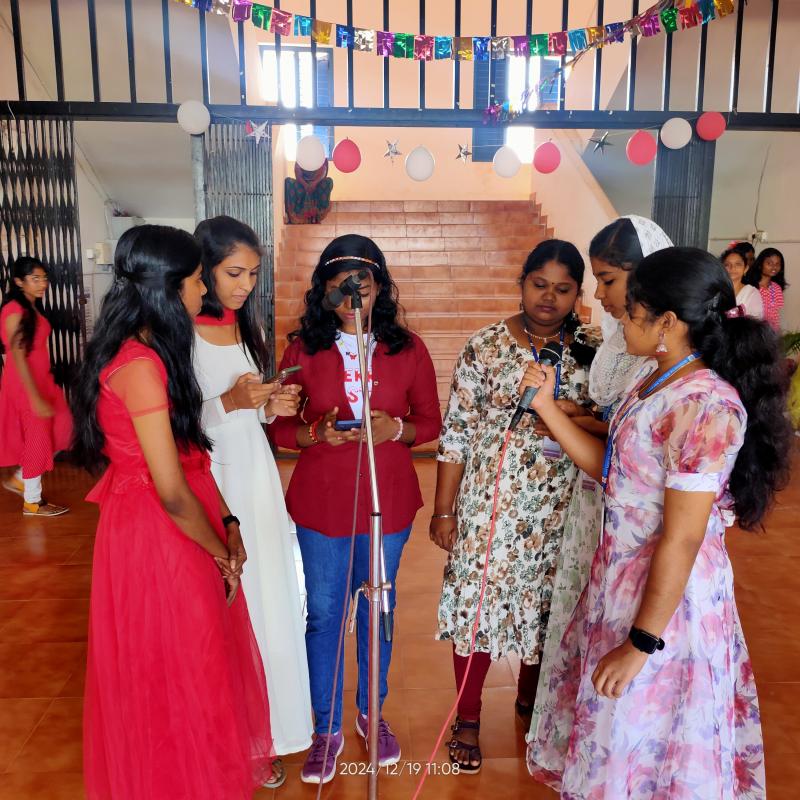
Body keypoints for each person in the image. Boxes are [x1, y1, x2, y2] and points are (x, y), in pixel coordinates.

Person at [525, 247, 790, 799]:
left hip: (671, 603)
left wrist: (642, 642)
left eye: (632, 312)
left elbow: (684, 535)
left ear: (667, 321)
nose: (622, 321)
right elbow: (615, 472)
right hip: (624, 581)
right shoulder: (655, 377)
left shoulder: (707, 405)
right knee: (619, 738)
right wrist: (546, 407)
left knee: (656, 741)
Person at [72, 225, 279, 799]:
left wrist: (229, 522)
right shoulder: (138, 365)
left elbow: (192, 458)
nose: (202, 291)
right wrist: (220, 553)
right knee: (179, 665)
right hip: (159, 535)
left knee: (194, 664)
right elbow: (169, 489)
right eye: (194, 281)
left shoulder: (154, 352)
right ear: (167, 289)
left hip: (182, 521)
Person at [270, 234, 441, 785]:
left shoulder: (407, 349)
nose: (351, 300)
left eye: (361, 288)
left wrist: (398, 429)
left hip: (386, 501)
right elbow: (278, 428)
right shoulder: (302, 350)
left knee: (377, 610)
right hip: (321, 502)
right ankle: (326, 728)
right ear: (322, 292)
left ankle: (372, 713)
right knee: (324, 614)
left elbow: (432, 423)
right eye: (338, 289)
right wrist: (313, 433)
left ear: (380, 288)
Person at [431, 239, 601, 774]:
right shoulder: (485, 346)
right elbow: (456, 433)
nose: (549, 297)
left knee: (549, 610)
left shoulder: (594, 351)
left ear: (578, 293)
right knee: (475, 610)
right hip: (491, 504)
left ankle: (532, 704)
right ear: (521, 283)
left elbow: (614, 423)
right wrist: (444, 510)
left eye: (563, 289)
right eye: (539, 284)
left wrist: (570, 413)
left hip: (563, 508)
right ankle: (468, 717)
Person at [527, 216, 672, 759]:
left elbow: (633, 451)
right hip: (601, 503)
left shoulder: (667, 358)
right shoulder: (621, 338)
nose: (599, 295)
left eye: (608, 280)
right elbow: (625, 430)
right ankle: (589, 746)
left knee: (627, 631)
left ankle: (620, 754)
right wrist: (581, 418)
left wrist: (558, 416)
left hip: (639, 517)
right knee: (594, 622)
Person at [193, 215, 313, 760]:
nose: (246, 285)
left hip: (255, 474)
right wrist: (231, 402)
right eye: (234, 273)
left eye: (253, 274)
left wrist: (270, 406)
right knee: (224, 600)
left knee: (267, 596)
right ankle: (227, 738)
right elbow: (175, 425)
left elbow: (248, 412)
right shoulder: (179, 330)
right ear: (203, 270)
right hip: (212, 477)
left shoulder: (246, 326)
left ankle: (268, 733)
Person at [0, 256, 71, 516]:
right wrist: (34, 397)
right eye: (35, 279)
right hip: (25, 384)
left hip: (43, 381)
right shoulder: (13, 310)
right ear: (19, 282)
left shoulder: (31, 307)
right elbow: (18, 356)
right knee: (38, 438)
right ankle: (32, 501)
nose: (43, 284)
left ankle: (21, 478)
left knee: (64, 427)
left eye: (44, 278)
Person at [745, 246, 787, 330]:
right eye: (769, 263)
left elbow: (775, 312)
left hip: (772, 332)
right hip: (752, 331)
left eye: (777, 264)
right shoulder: (750, 287)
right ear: (760, 265)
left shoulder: (776, 288)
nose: (774, 267)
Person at [721, 243, 764, 319]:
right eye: (727, 264)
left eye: (738, 264)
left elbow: (755, 322)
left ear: (745, 269)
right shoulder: (715, 290)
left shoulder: (751, 293)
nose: (732, 268)